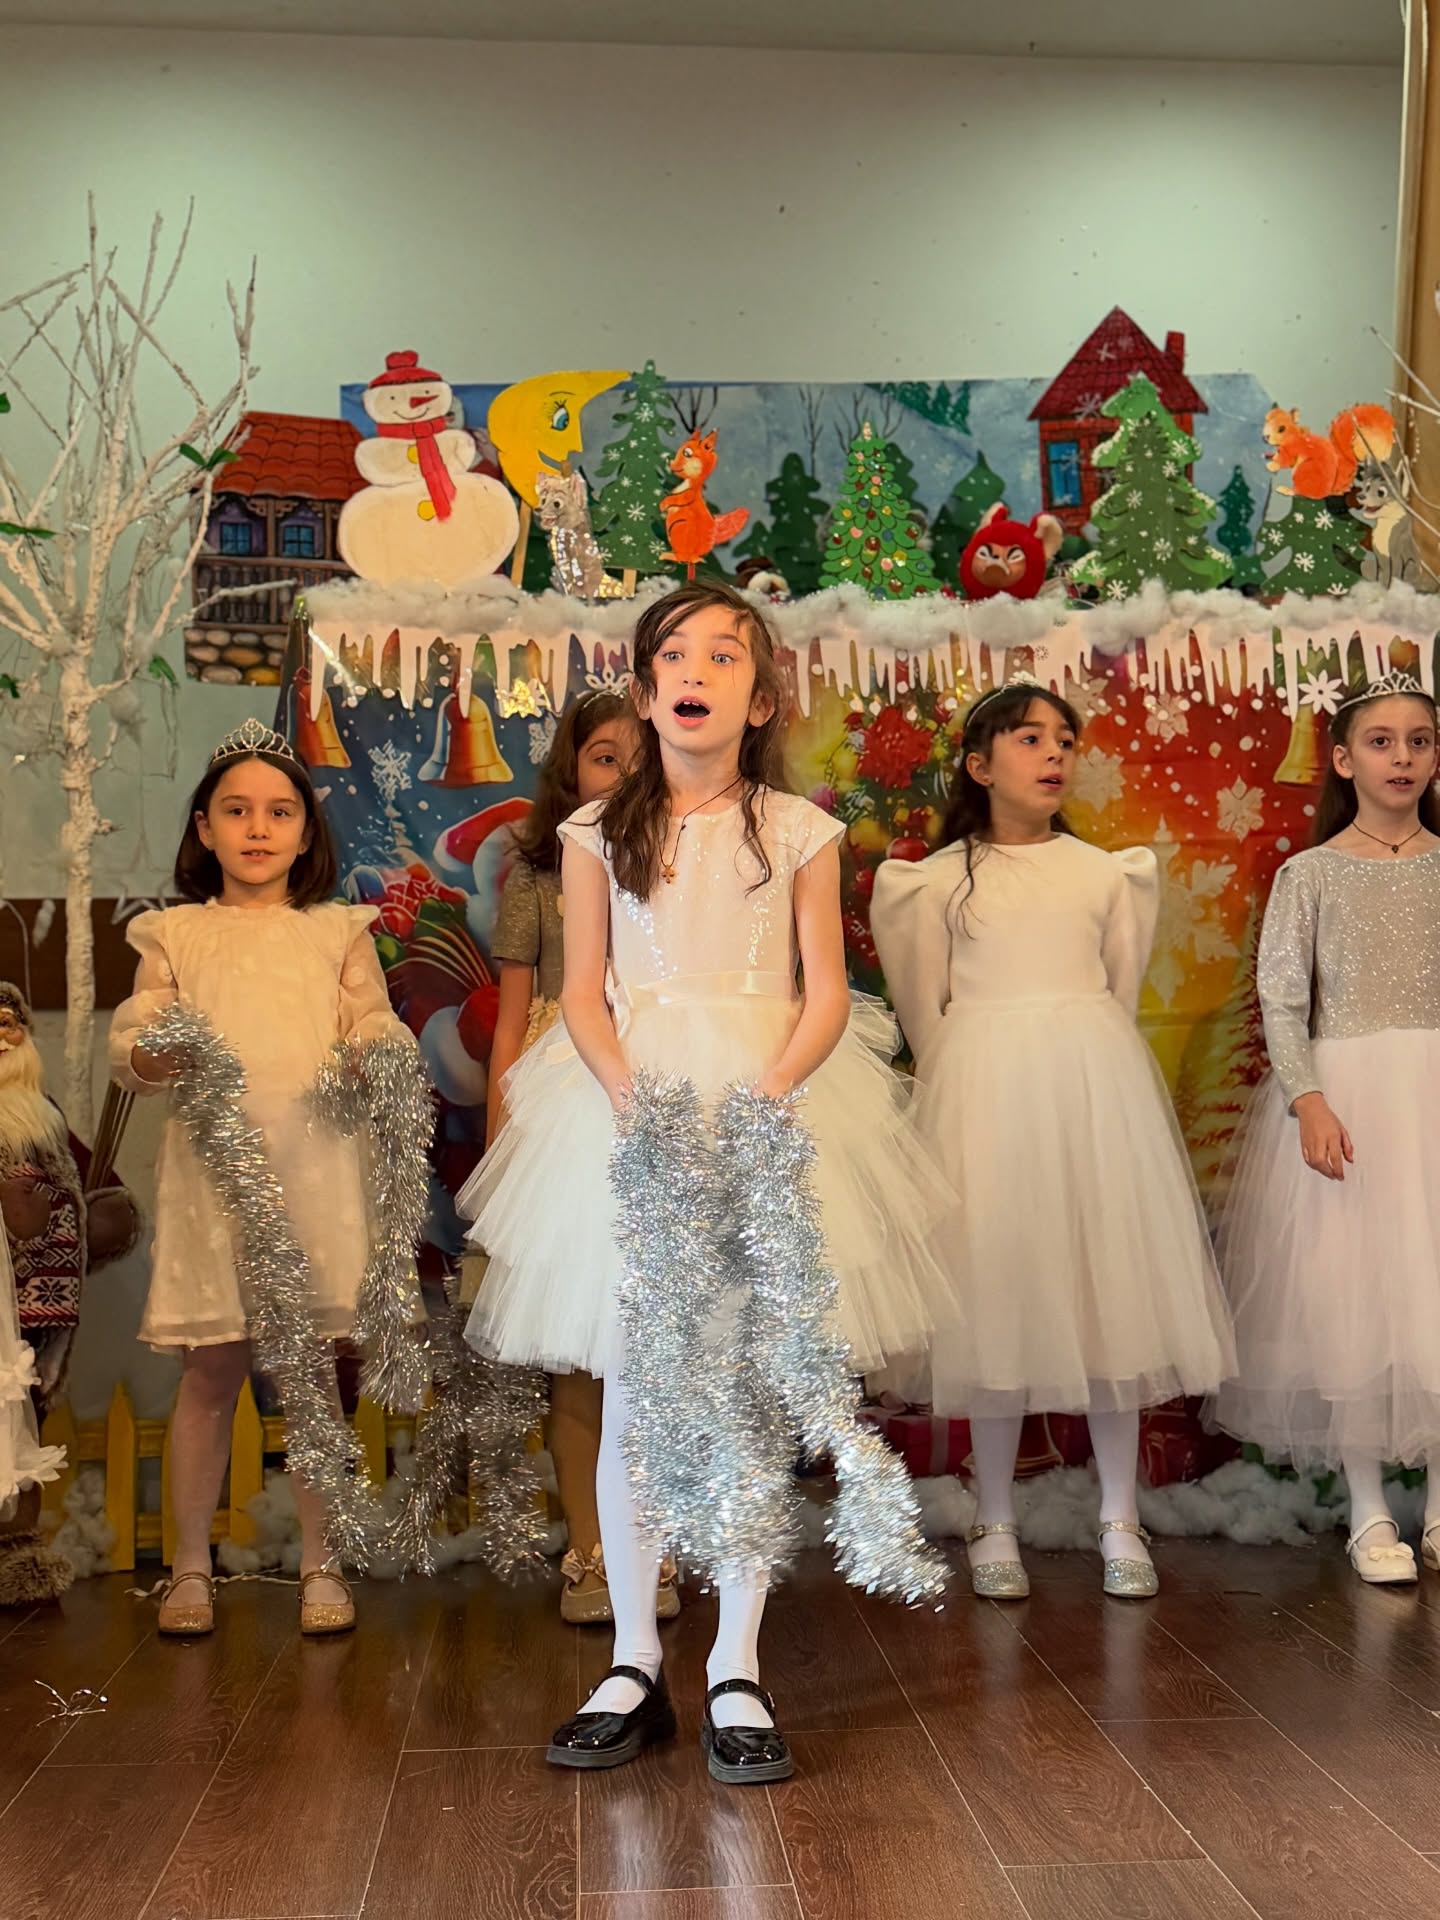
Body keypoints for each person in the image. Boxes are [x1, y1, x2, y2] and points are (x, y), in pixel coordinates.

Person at [464, 581, 943, 1781]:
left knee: (740, 1393)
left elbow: (825, 992)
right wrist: (634, 1102)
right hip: (632, 1115)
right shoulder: (593, 834)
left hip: (768, 1105)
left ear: (761, 698)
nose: (696, 670)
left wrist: (769, 1098)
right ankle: (634, 1660)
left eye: (724, 655)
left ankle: (736, 1662)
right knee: (635, 1383)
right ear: (644, 690)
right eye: (674, 654)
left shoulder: (797, 832)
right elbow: (582, 994)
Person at [872, 682, 1233, 1600]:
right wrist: (974, 1087)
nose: (1053, 754)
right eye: (1030, 739)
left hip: (1090, 1097)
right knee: (995, 1297)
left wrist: (1077, 1065)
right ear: (979, 764)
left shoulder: (1107, 875)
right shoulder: (936, 882)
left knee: (1107, 1295)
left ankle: (1119, 1515)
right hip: (984, 1099)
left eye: (1065, 740)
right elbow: (925, 1014)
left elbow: (1115, 994)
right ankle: (993, 1514)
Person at [109, 718, 416, 1636]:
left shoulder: (335, 930)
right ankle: (189, 1568)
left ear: (306, 831)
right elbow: (138, 1034)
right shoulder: (175, 933)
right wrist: (151, 1053)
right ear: (204, 829)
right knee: (212, 1370)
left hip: (316, 1168)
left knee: (312, 1373)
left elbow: (374, 1019)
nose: (257, 828)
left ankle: (323, 1563)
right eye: (236, 811)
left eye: (279, 812)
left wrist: (372, 1049)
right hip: (214, 1179)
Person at [1212, 670, 1440, 1585]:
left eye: (1419, 741)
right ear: (1344, 761)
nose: (1402, 758)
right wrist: (1307, 1098)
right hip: (1352, 1100)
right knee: (1356, 1293)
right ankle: (1369, 1506)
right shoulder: (1309, 875)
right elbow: (1280, 998)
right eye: (1381, 742)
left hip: (1433, 1096)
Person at [475, 687, 679, 1625]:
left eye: (642, 755)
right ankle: (591, 1550)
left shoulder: (692, 861)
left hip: (667, 1092)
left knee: (662, 1341)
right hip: (568, 1110)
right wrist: (503, 1139)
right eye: (604, 756)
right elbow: (511, 1019)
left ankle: (657, 1548)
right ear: (571, 770)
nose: (625, 772)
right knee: (581, 1352)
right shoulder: (543, 874)